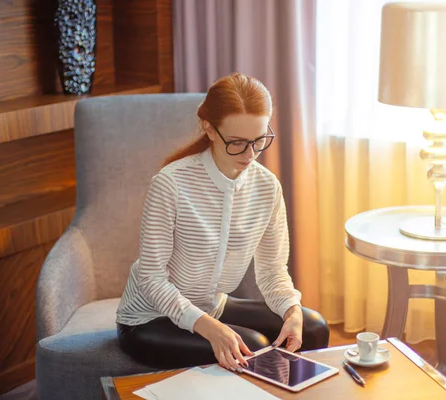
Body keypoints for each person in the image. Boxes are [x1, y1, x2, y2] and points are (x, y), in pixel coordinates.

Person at [116, 72, 330, 372]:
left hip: (212, 305)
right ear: (210, 129)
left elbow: (272, 271)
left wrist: (291, 310)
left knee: (312, 327)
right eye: (238, 143)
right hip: (149, 318)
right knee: (251, 346)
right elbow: (151, 279)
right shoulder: (171, 183)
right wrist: (208, 327)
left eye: (259, 140)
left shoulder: (267, 187)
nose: (250, 154)